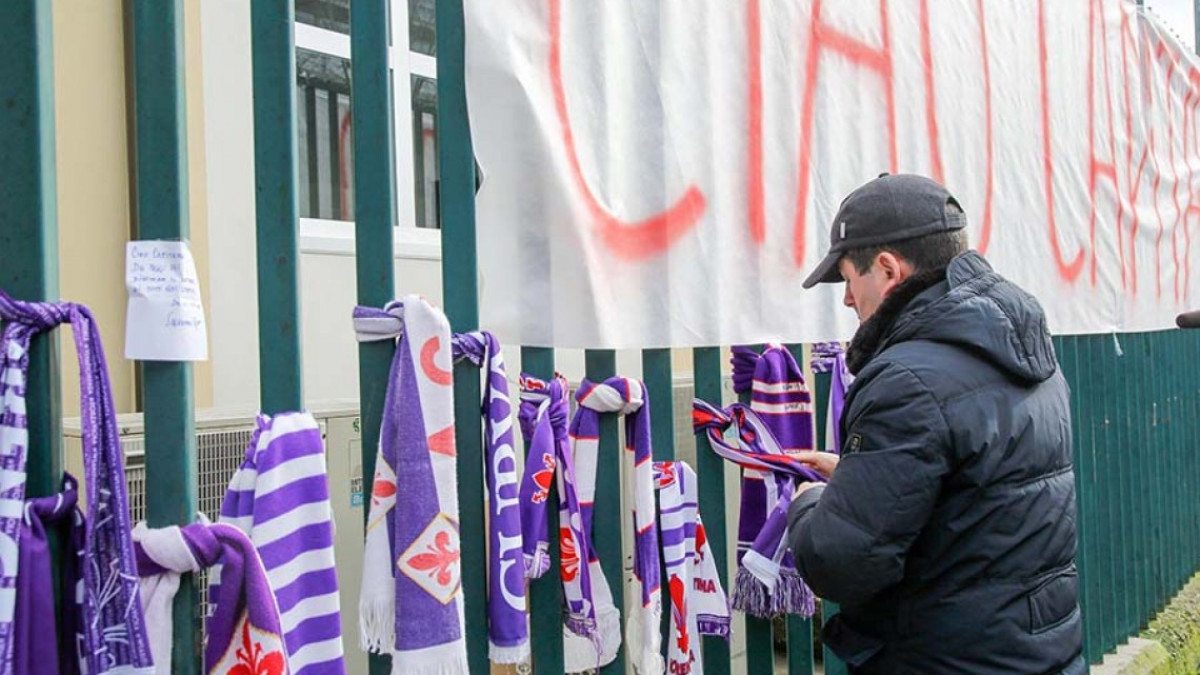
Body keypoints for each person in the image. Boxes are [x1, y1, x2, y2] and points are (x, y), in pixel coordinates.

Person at [786, 174, 1084, 674]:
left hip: (946, 658)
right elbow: (981, 495)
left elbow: (841, 562)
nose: (847, 300)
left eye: (848, 279)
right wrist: (860, 478)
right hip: (1036, 650)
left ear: (887, 269)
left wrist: (810, 504)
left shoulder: (905, 379)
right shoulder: (1025, 351)